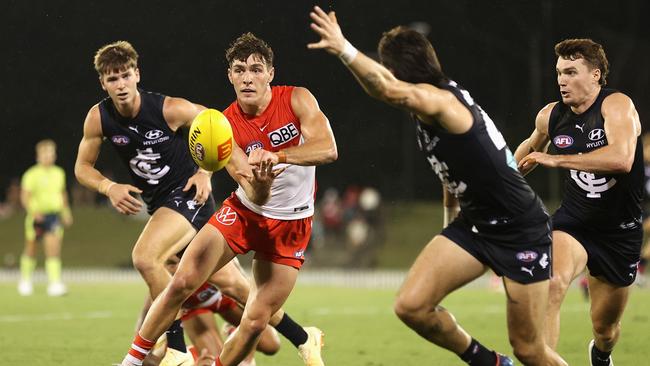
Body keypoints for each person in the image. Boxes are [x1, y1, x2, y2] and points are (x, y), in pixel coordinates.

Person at [308, 7, 567, 366]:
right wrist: (450, 228)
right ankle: (489, 362)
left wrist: (343, 48)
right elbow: (452, 173)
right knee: (412, 306)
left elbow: (385, 90)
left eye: (388, 69)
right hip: (475, 225)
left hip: (519, 228)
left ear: (398, 71)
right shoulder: (428, 111)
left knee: (529, 349)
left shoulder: (440, 101)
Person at [74, 41, 323, 366]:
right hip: (161, 206)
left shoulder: (167, 108)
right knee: (245, 301)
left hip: (188, 197)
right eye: (112, 79)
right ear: (103, 83)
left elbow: (212, 125)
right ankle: (303, 336)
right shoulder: (99, 118)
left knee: (147, 258)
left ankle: (176, 349)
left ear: (137, 74)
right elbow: (81, 167)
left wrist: (206, 172)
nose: (120, 85)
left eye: (125, 75)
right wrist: (108, 188)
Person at [515, 38, 643, 366]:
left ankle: (600, 356)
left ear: (596, 75)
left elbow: (622, 159)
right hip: (573, 222)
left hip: (619, 232)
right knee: (552, 283)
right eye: (559, 72)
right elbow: (527, 153)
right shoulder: (551, 116)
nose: (561, 80)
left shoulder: (617, 106)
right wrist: (497, 183)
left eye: (571, 72)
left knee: (606, 328)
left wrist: (558, 160)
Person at [143, 255, 281, 366]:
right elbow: (150, 308)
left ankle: (233, 330)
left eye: (176, 262)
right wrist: (145, 352)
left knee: (271, 345)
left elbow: (252, 297)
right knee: (216, 360)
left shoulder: (211, 257)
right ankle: (190, 354)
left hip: (225, 298)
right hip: (195, 309)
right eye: (170, 264)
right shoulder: (167, 281)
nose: (175, 269)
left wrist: (247, 356)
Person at [18, 139, 73, 296]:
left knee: (53, 249)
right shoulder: (31, 174)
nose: (49, 156)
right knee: (31, 248)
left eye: (52, 153)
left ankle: (54, 284)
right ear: (39, 155)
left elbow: (62, 194)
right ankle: (25, 281)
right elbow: (25, 196)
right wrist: (34, 212)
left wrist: (66, 212)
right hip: (37, 217)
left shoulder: (59, 173)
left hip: (53, 216)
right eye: (46, 153)